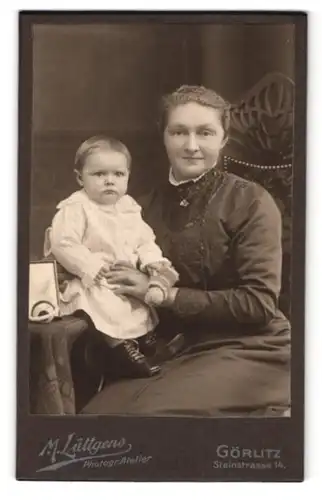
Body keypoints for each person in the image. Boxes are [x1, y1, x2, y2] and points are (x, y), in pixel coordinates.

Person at [81, 84, 291, 417]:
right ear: (163, 136)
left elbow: (259, 303)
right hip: (171, 348)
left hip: (250, 348)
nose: (191, 146)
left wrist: (164, 296)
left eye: (205, 133)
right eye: (179, 132)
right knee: (95, 416)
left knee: (144, 418)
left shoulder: (251, 201)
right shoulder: (136, 207)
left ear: (223, 139)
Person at [44, 136, 179, 379]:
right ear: (80, 178)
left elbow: (144, 239)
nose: (109, 181)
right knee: (104, 304)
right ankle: (120, 349)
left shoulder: (127, 206)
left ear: (127, 176)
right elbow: (63, 243)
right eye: (99, 174)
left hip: (124, 275)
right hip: (91, 278)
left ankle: (146, 341)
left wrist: (151, 261)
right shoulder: (76, 207)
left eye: (118, 174)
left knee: (139, 302)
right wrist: (90, 266)